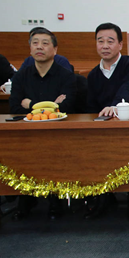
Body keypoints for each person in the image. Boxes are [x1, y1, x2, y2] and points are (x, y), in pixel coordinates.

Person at [86, 22, 129, 221]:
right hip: (105, 128)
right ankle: (104, 197)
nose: (105, 46)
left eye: (110, 41)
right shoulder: (93, 75)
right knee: (93, 148)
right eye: (100, 41)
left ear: (120, 45)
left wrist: (116, 106)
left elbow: (128, 87)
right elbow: (90, 107)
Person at [9, 28, 77, 221]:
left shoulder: (66, 76)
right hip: (27, 133)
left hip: (58, 133)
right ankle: (26, 198)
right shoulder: (21, 76)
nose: (39, 47)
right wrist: (51, 105)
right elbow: (14, 106)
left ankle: (55, 200)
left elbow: (67, 107)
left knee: (51, 150)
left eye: (45, 43)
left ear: (55, 49)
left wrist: (30, 104)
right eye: (35, 43)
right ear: (30, 48)